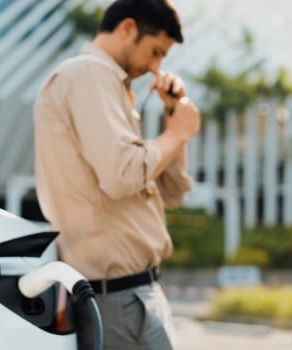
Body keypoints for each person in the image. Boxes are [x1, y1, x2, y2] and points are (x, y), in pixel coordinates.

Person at [32, 0, 200, 348]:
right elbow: (123, 175)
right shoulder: (89, 75)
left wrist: (173, 117)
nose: (156, 68)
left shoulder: (108, 84)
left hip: (133, 293)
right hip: (120, 296)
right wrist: (178, 132)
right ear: (127, 29)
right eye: (155, 52)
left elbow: (173, 191)